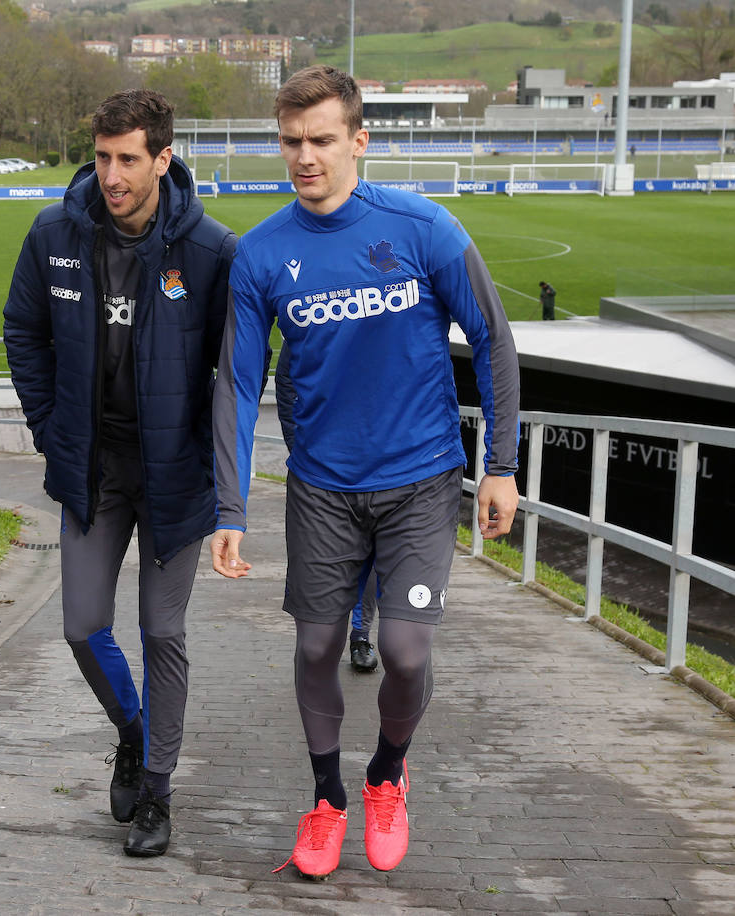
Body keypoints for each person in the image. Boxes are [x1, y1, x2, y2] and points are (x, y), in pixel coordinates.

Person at [211, 65, 519, 880]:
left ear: (359, 140)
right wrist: (230, 507)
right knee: (316, 646)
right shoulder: (262, 254)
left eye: (320, 140)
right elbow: (240, 386)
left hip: (421, 479)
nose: (304, 157)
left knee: (407, 653)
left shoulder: (423, 229)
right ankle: (326, 800)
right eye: (290, 142)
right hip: (321, 489)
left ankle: (386, 775)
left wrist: (502, 465)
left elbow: (492, 339)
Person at [3, 88, 236, 857]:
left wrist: (219, 476)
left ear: (163, 159)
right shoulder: (55, 234)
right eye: (102, 157)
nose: (111, 175)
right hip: (91, 468)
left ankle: (158, 798)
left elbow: (237, 375)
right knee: (80, 624)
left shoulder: (210, 252)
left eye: (128, 159)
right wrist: (48, 429)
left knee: (161, 629)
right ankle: (132, 730)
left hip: (172, 474)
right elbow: (23, 332)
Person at [275, 346, 378, 674]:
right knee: (328, 562)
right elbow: (286, 380)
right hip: (323, 470)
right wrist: (299, 445)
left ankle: (361, 635)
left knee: (374, 557)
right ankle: (327, 636)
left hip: (385, 464)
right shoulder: (313, 304)